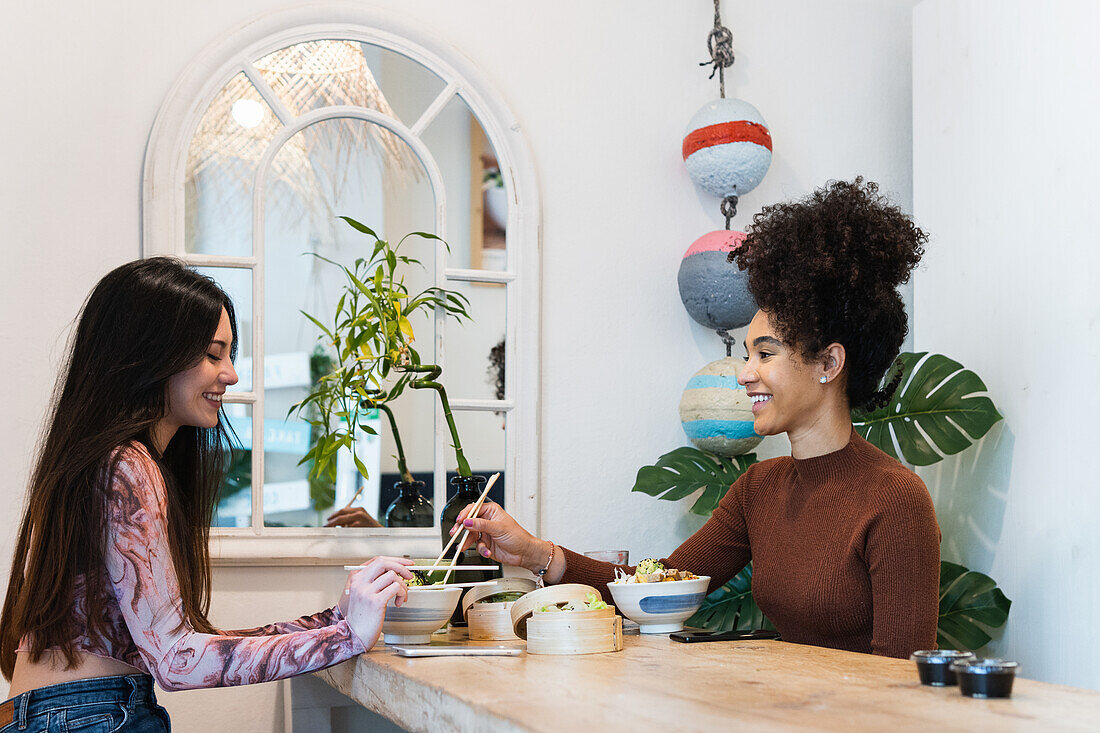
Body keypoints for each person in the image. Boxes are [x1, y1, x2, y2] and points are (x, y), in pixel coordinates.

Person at [452, 179, 941, 659]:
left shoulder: (895, 499)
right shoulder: (760, 488)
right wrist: (538, 554)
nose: (745, 374)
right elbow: (660, 586)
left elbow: (902, 683)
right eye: (748, 354)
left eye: (765, 354)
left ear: (829, 364)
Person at [1, 258, 414, 731]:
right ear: (152, 354)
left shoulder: (92, 460)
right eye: (214, 354)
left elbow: (183, 642)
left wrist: (332, 621)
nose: (232, 374)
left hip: (60, 713)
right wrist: (344, 638)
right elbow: (178, 661)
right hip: (92, 715)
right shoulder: (126, 467)